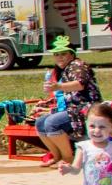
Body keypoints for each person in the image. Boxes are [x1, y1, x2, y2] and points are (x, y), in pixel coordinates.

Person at [33, 37, 100, 165]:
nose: (60, 57)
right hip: (72, 108)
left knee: (52, 123)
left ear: (72, 54)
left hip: (87, 108)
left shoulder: (78, 65)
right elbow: (63, 95)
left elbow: (80, 84)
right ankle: (56, 156)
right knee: (40, 122)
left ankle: (68, 158)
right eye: (56, 54)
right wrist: (47, 104)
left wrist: (58, 86)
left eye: (63, 53)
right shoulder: (64, 70)